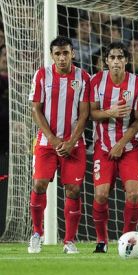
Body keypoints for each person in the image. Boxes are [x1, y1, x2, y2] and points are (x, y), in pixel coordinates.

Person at [28, 36, 90, 254]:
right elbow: (36, 109)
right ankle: (37, 233)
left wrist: (71, 141)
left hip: (74, 143)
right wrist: (54, 140)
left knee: (73, 190)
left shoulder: (83, 77)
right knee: (39, 185)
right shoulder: (42, 75)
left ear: (72, 53)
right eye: (58, 54)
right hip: (46, 143)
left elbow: (84, 115)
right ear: (51, 55)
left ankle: (69, 241)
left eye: (66, 53)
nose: (62, 58)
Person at [90, 42, 138, 253]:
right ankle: (101, 241)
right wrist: (110, 113)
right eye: (112, 57)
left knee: (133, 195)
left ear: (126, 60)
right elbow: (92, 113)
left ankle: (127, 240)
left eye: (120, 57)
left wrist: (121, 144)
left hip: (129, 148)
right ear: (106, 61)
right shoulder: (96, 81)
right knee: (101, 195)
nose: (116, 61)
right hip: (103, 148)